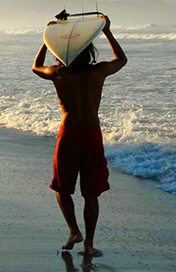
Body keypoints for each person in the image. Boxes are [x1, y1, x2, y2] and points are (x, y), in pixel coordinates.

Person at [32, 16, 127, 256]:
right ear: (89, 52)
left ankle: (74, 230)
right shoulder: (99, 71)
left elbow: (35, 67)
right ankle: (88, 245)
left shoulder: (58, 73)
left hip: (69, 134)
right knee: (91, 193)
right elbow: (122, 59)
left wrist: (47, 39)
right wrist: (107, 31)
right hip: (92, 135)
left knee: (62, 187)